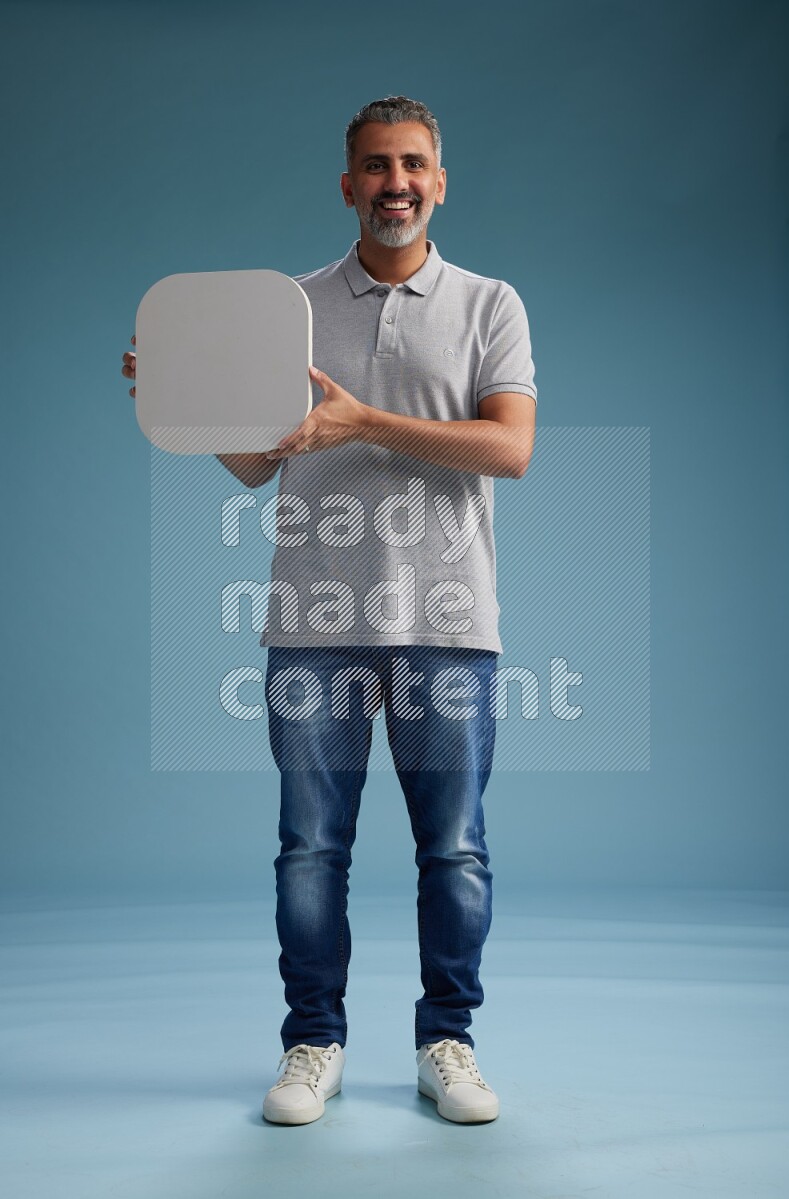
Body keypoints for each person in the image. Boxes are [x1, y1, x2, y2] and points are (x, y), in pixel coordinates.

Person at [122, 96, 537, 1127]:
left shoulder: (490, 304)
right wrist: (181, 393)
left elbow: (510, 448)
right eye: (373, 165)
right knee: (310, 846)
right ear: (346, 184)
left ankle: (448, 1038)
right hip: (312, 620)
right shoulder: (290, 307)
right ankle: (313, 1041)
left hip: (447, 623)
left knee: (454, 847)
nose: (393, 182)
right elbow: (258, 463)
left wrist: (371, 421)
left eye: (411, 164)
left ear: (439, 180)